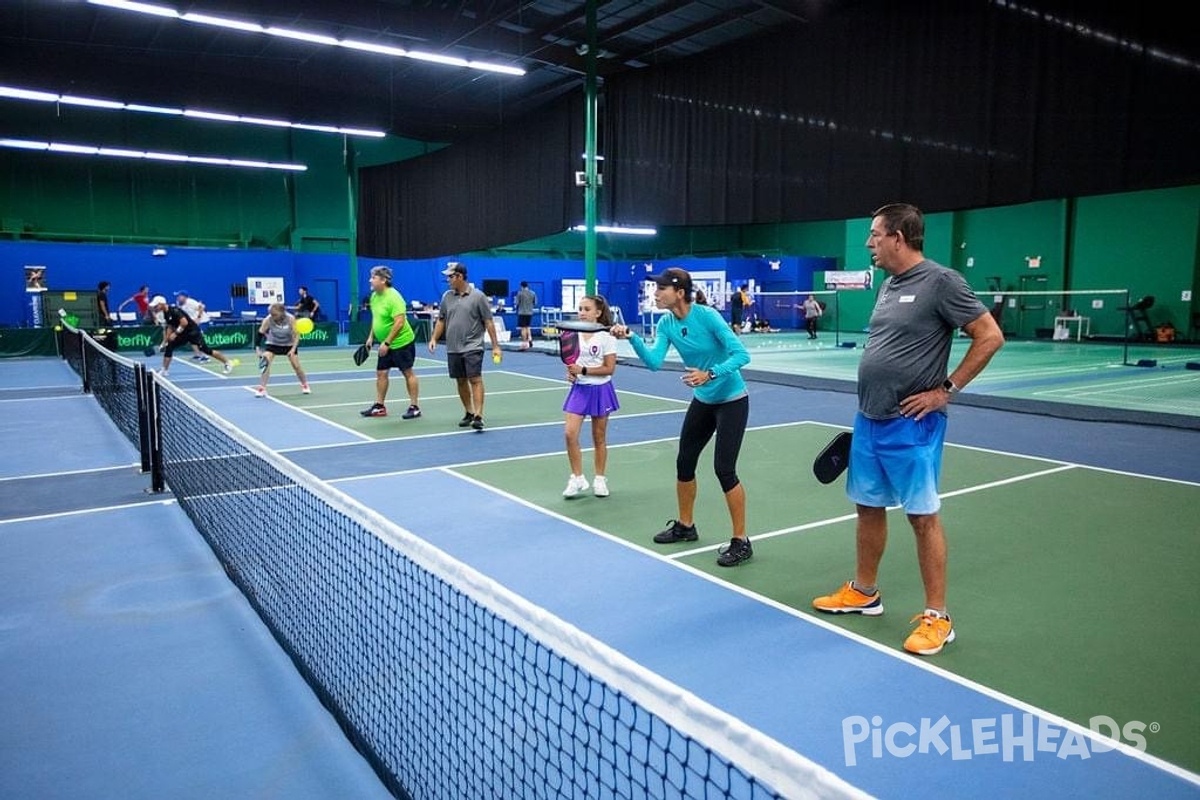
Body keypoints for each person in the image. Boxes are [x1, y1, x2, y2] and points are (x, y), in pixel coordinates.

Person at [811, 202, 1004, 656]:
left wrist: (946, 389)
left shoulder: (942, 281)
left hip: (912, 424)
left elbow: (990, 335)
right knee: (867, 507)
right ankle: (864, 592)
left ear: (899, 236)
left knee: (921, 517)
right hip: (869, 419)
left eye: (874, 235)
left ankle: (938, 617)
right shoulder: (889, 285)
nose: (868, 243)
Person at [611, 268, 753, 567]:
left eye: (660, 289)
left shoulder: (707, 316)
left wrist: (710, 373)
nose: (655, 294)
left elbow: (741, 355)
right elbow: (653, 363)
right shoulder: (666, 323)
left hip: (732, 400)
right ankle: (686, 526)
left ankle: (741, 541)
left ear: (679, 292)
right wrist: (632, 337)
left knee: (724, 469)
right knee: (684, 462)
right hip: (703, 400)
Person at [428, 262, 502, 431]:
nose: (448, 280)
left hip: (473, 346)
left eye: (450, 277)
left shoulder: (478, 296)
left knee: (475, 379)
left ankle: (478, 415)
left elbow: (488, 322)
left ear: (459, 276)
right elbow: (441, 320)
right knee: (461, 381)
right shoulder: (447, 296)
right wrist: (434, 338)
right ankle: (469, 412)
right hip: (453, 347)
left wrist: (496, 346)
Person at [561, 294, 620, 499]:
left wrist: (583, 370)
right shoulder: (572, 334)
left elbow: (609, 369)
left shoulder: (607, 337)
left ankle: (600, 479)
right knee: (570, 434)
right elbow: (571, 362)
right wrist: (571, 372)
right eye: (580, 309)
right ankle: (577, 478)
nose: (582, 313)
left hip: (601, 389)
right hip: (579, 389)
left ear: (598, 312)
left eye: (587, 309)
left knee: (599, 437)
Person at [359, 265, 421, 420]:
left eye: (373, 277)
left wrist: (386, 343)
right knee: (381, 373)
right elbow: (377, 318)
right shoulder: (374, 297)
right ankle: (379, 407)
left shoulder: (394, 297)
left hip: (401, 342)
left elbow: (399, 323)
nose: (370, 280)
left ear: (383, 280)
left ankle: (414, 407)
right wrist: (371, 337)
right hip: (384, 343)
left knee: (407, 372)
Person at [149, 295, 234, 378]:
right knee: (169, 346)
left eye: (156, 306)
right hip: (183, 334)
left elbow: (184, 322)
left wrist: (175, 334)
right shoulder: (165, 314)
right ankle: (164, 370)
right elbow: (170, 327)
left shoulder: (175, 311)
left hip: (193, 332)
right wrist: (165, 341)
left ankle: (227, 362)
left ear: (162, 304)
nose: (155, 308)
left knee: (206, 350)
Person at [253, 302, 310, 397]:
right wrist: (258, 349)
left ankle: (305, 385)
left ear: (282, 312)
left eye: (274, 314)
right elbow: (260, 333)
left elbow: (296, 335)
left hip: (289, 344)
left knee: (296, 366)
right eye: (271, 314)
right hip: (273, 343)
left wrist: (293, 349)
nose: (272, 316)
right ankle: (262, 388)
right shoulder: (268, 319)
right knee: (265, 362)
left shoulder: (290, 319)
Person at [176, 291, 211, 361]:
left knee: (198, 338)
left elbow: (201, 307)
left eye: (179, 296)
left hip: (202, 321)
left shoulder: (190, 302)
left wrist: (198, 318)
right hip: (193, 323)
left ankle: (205, 356)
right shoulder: (180, 304)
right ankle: (198, 355)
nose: (178, 298)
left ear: (184, 297)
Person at [515, 280, 537, 350]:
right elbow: (535, 303)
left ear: (521, 286)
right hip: (530, 312)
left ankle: (524, 343)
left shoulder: (520, 293)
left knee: (523, 328)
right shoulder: (533, 293)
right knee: (528, 326)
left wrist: (517, 308)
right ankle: (530, 338)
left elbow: (517, 303)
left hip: (522, 312)